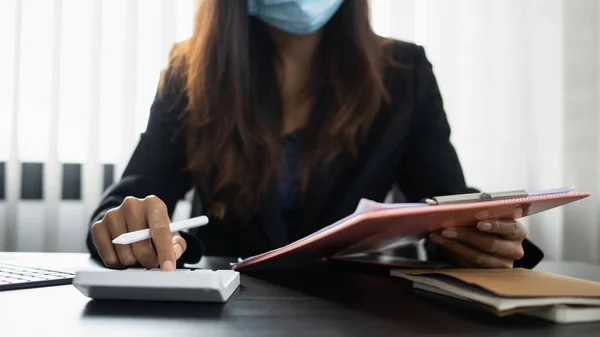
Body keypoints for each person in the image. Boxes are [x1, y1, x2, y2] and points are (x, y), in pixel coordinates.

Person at [87, 0, 543, 271]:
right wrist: (123, 228)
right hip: (228, 313)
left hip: (360, 315)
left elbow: (448, 207)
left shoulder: (405, 74)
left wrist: (487, 238)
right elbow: (125, 205)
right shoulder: (190, 73)